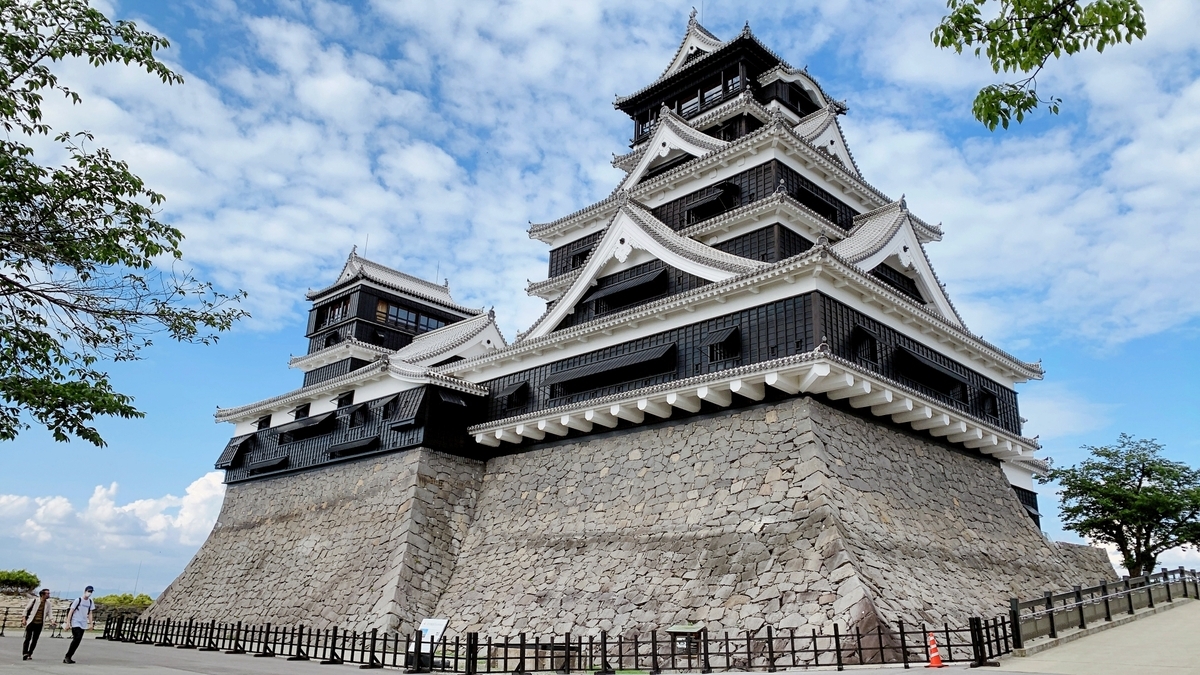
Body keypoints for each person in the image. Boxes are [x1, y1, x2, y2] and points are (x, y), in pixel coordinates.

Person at [62, 586, 95, 664]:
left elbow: (90, 613)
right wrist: (68, 623)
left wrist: (91, 623)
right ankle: (67, 656)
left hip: (83, 622)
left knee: (78, 640)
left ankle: (69, 656)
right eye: (88, 591)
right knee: (77, 637)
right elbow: (71, 611)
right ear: (85, 591)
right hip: (76, 621)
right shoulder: (78, 600)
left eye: (91, 592)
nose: (89, 593)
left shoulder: (90, 602)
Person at [21, 588, 52, 660]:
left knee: (35, 640)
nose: (48, 595)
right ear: (42, 594)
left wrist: (52, 620)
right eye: (47, 593)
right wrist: (24, 619)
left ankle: (30, 653)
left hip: (39, 623)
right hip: (31, 622)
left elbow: (49, 613)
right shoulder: (34, 601)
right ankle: (25, 653)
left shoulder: (48, 603)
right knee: (28, 638)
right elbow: (26, 610)